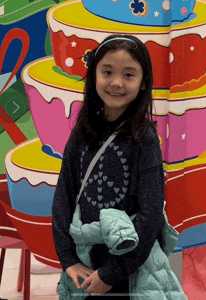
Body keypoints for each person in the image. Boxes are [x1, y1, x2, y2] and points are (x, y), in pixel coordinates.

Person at [52, 34, 165, 299]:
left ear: (143, 82)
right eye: (107, 72)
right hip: (83, 265)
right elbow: (63, 198)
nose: (116, 83)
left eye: (128, 75)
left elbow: (150, 216)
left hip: (129, 271)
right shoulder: (82, 132)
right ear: (93, 76)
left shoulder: (145, 139)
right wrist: (67, 259)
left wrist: (113, 272)